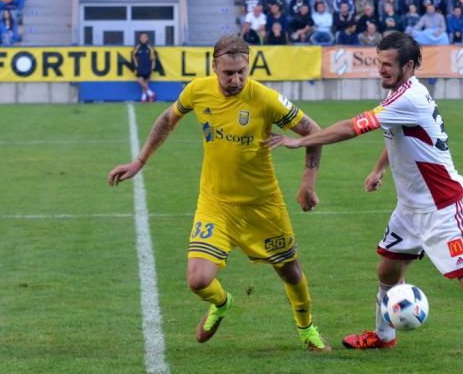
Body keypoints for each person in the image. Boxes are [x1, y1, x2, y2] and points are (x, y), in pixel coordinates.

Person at [265, 31, 463, 359]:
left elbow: (352, 127)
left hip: (444, 207)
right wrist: (380, 169)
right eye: (379, 63)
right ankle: (383, 336)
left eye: (388, 65)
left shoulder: (409, 98)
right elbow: (399, 135)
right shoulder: (400, 96)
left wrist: (302, 140)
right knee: (388, 271)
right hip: (410, 208)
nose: (381, 70)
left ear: (411, 66)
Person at [108, 36, 330, 352]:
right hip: (216, 204)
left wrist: (308, 183)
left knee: (290, 270)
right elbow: (166, 120)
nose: (236, 80)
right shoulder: (198, 91)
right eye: (228, 73)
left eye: (242, 72)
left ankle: (308, 331)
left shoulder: (266, 99)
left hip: (262, 205)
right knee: (197, 280)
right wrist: (139, 160)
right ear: (214, 66)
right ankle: (222, 303)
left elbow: (314, 131)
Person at [131, 33, 157, 103]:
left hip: (147, 68)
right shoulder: (138, 47)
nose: (143, 39)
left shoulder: (149, 48)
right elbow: (133, 56)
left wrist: (152, 67)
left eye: (145, 37)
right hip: (140, 68)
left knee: (145, 83)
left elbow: (153, 58)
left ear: (147, 39)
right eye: (142, 37)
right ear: (140, 39)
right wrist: (135, 67)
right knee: (139, 81)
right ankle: (151, 93)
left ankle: (144, 98)